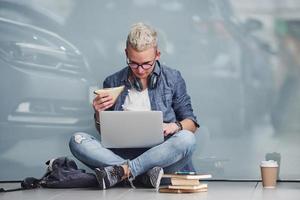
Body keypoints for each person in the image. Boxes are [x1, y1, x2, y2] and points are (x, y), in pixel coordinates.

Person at [69, 22, 199, 190]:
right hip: (121, 154)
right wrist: (98, 113)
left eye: (147, 64)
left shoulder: (173, 78)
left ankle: (123, 172)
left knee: (187, 139)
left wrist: (174, 126)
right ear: (126, 54)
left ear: (157, 55)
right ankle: (143, 175)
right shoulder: (112, 81)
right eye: (133, 63)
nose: (140, 70)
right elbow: (105, 133)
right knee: (77, 140)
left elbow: (192, 124)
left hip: (161, 156)